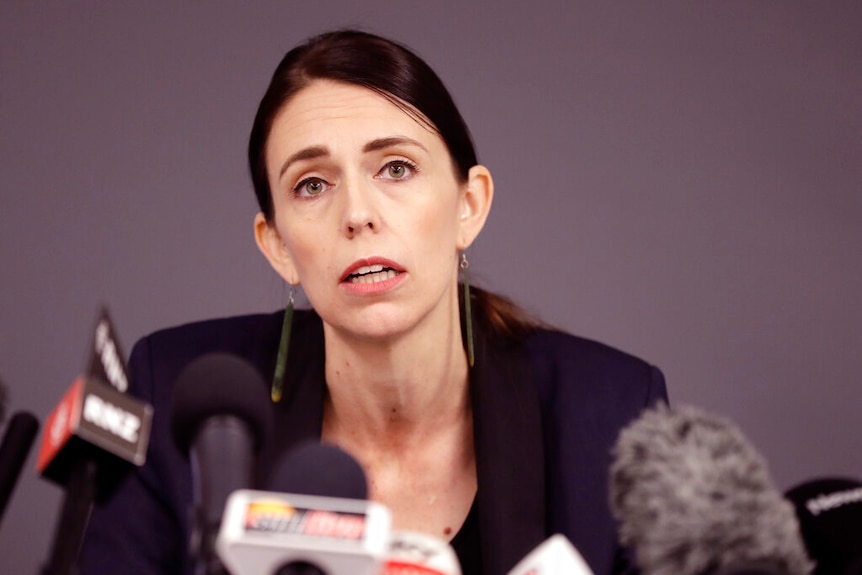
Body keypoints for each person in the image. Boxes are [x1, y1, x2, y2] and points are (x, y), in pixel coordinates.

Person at [79, 29, 667, 575]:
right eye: (313, 184)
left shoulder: (614, 414)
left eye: (396, 167)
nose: (357, 214)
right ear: (278, 245)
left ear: (469, 205)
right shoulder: (176, 394)